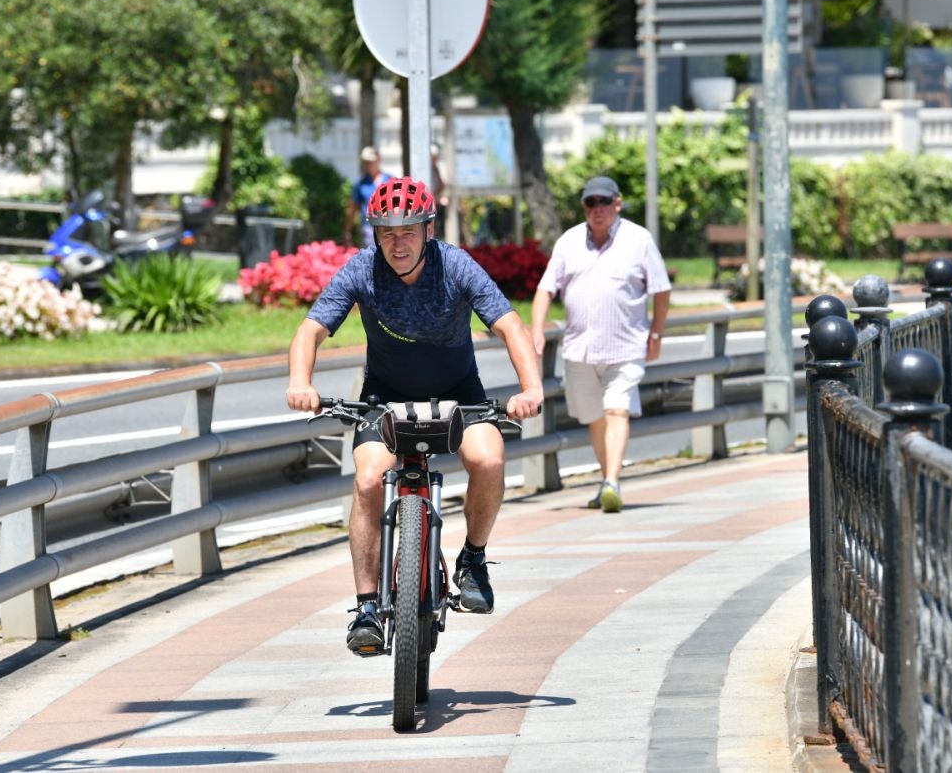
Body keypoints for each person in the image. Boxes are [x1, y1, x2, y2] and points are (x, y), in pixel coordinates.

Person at [285, 177, 544, 656]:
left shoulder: (456, 266)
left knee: (488, 459)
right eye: (386, 232)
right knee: (367, 480)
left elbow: (510, 326)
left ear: (428, 229)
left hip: (458, 392)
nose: (397, 243)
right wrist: (301, 382)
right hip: (385, 396)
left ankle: (473, 559)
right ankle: (366, 607)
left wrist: (531, 389)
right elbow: (310, 331)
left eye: (407, 231)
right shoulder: (362, 271)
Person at [529, 176, 671, 513]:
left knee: (616, 409)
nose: (597, 209)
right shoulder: (568, 242)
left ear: (617, 204)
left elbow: (661, 289)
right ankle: (608, 479)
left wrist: (657, 332)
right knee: (594, 417)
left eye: (604, 202)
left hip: (626, 346)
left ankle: (611, 483)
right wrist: (535, 329)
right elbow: (546, 288)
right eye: (590, 203)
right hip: (580, 349)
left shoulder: (639, 239)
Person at [345, 146, 393, 247]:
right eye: (366, 162)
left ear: (378, 160)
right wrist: (347, 230)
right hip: (368, 228)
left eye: (371, 161)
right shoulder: (361, 183)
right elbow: (353, 207)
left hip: (389, 227)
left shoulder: (390, 180)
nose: (369, 164)